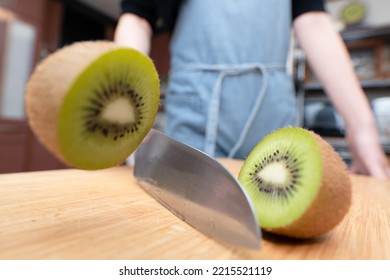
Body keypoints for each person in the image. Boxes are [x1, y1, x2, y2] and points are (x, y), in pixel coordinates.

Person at [114, 0, 390, 179]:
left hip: (269, 113)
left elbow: (314, 21)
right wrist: (126, 104)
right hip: (196, 112)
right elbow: (137, 18)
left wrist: (362, 128)